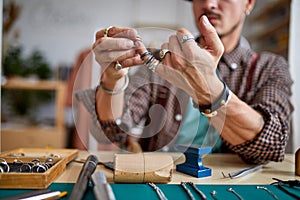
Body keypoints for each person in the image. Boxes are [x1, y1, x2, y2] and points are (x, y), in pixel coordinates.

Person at [76, 0, 293, 164]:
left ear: (249, 3)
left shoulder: (270, 67)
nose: (209, 4)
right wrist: (112, 78)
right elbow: (116, 131)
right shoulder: (161, 60)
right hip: (161, 182)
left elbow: (272, 145)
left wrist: (209, 89)